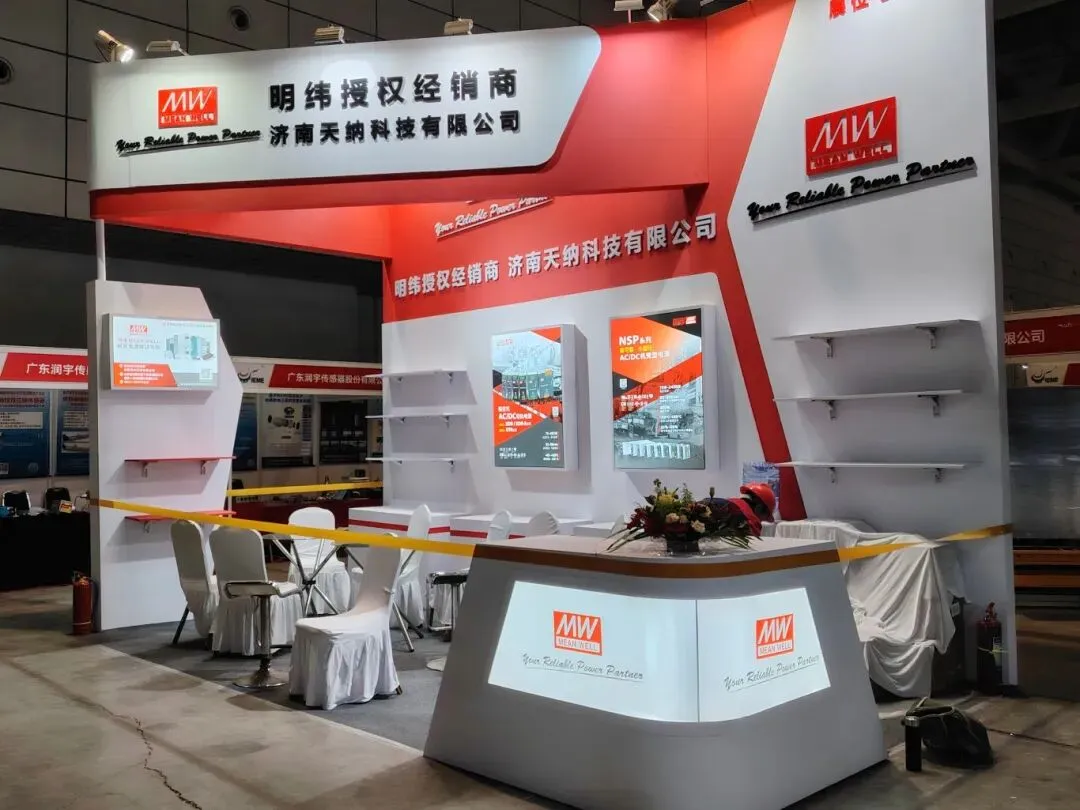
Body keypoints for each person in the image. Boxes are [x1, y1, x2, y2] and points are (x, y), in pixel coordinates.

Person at [702, 482, 776, 537]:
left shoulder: (730, 502)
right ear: (760, 508)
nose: (761, 520)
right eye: (765, 516)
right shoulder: (751, 520)